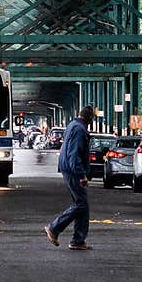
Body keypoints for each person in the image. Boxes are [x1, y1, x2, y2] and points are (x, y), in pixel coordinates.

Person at [44, 104, 94, 250]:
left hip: (67, 168)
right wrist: (82, 174)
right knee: (81, 204)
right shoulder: (79, 130)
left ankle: (78, 240)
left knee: (82, 205)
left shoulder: (72, 125)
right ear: (89, 118)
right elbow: (74, 154)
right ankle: (54, 228)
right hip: (73, 171)